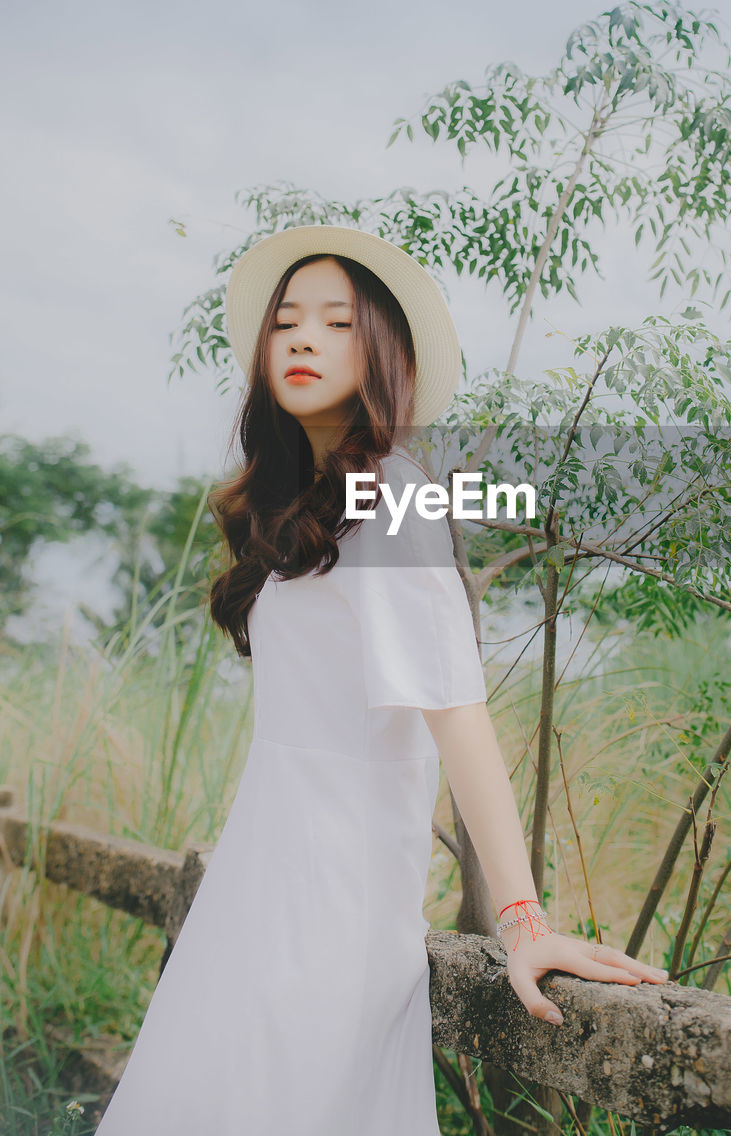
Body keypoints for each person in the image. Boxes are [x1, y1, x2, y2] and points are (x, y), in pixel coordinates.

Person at [94, 224, 667, 1135]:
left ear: (382, 352)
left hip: (331, 905)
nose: (303, 340)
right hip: (260, 882)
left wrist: (524, 920)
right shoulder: (308, 510)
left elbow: (457, 713)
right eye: (285, 323)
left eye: (335, 322)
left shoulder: (393, 494)